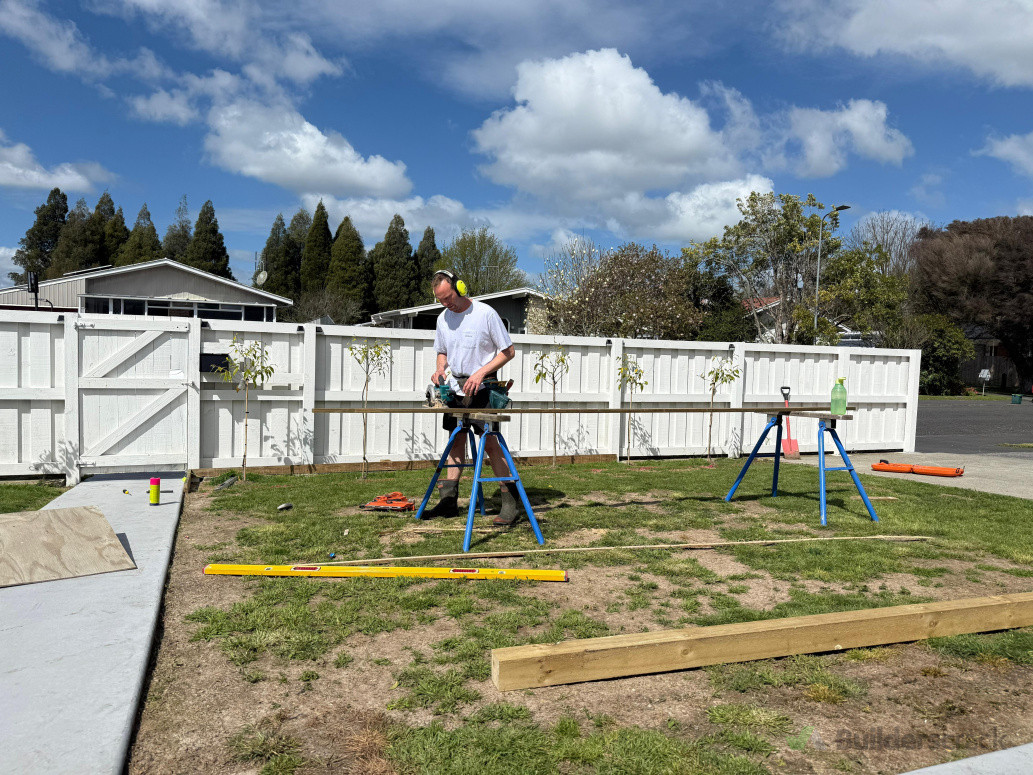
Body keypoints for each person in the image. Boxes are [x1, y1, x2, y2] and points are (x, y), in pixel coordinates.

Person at [425, 270, 520, 525]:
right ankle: (448, 502)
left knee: (490, 443)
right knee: (456, 442)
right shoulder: (443, 319)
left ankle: (510, 503)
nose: (446, 304)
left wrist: (480, 372)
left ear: (460, 287)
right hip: (455, 389)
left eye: (449, 298)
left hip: (485, 386)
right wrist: (439, 370)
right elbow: (442, 352)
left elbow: (508, 351)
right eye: (441, 300)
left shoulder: (484, 314)